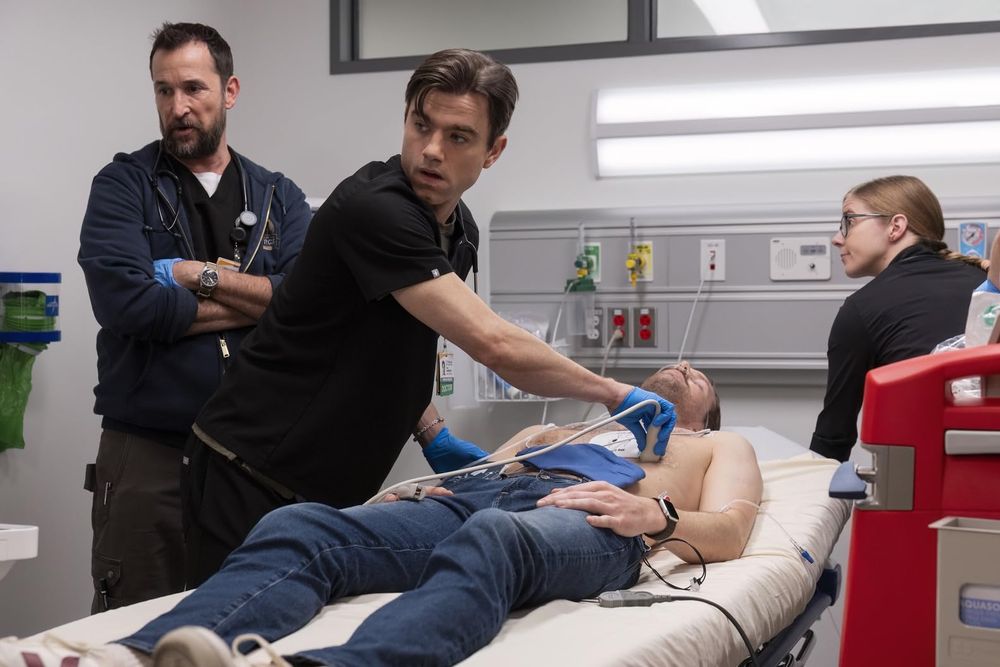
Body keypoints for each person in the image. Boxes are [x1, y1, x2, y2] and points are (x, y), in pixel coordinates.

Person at [180, 47, 676, 586]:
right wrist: (611, 392)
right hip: (250, 470)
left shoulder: (459, 230)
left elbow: (392, 341)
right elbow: (492, 343)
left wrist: (430, 430)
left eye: (458, 136)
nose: (432, 150)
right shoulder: (376, 210)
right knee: (234, 618)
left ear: (493, 151)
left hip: (325, 486)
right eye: (421, 126)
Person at [0, 363, 759, 667]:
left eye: (697, 375)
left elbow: (730, 529)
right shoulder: (569, 427)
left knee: (495, 536)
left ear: (707, 410)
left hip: (598, 523)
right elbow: (473, 472)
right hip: (480, 499)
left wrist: (652, 514)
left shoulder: (715, 444)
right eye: (670, 367)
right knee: (306, 525)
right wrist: (426, 488)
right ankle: (140, 657)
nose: (680, 369)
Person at [76, 22, 311, 612]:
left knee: (247, 620)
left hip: (252, 460)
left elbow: (306, 305)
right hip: (148, 454)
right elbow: (129, 305)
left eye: (193, 88)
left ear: (229, 91)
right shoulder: (124, 186)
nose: (177, 107)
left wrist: (192, 274)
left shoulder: (278, 197)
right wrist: (257, 304)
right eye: (164, 90)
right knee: (131, 628)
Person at [809, 175, 987, 462]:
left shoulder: (861, 310)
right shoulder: (986, 286)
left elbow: (833, 440)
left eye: (849, 221)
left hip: (920, 477)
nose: (837, 238)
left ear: (896, 227)